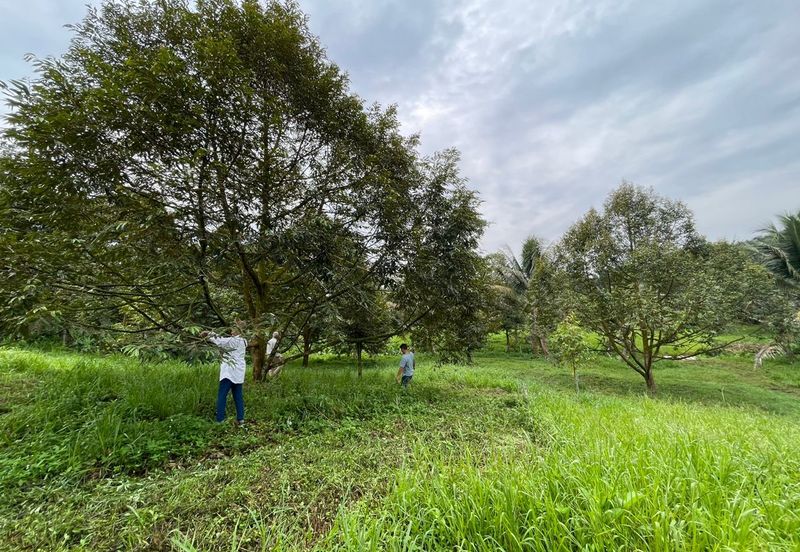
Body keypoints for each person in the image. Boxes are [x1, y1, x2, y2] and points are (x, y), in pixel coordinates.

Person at [201, 324, 247, 425]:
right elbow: (223, 339)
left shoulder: (233, 341)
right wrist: (211, 333)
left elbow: (220, 341)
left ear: (238, 330)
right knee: (238, 396)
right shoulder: (244, 341)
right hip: (239, 372)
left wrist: (208, 334)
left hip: (229, 372)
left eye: (233, 330)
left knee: (222, 395)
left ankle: (220, 419)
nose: (231, 332)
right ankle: (241, 418)